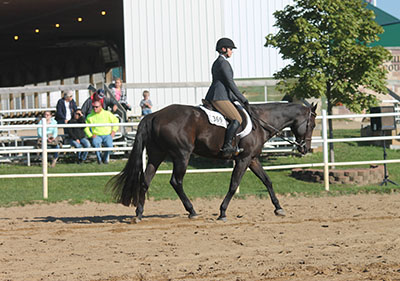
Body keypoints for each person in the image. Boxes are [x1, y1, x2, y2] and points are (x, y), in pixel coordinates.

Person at [205, 37, 249, 157]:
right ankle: (227, 146)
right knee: (237, 119)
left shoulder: (219, 62)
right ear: (223, 49)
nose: (232, 51)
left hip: (221, 94)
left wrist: (234, 97)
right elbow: (230, 83)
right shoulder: (223, 63)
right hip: (219, 97)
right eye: (230, 49)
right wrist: (242, 99)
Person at [84, 99, 119, 164]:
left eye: (96, 107)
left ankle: (105, 158)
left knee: (109, 146)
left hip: (107, 135)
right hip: (96, 135)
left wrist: (114, 131)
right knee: (95, 144)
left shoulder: (107, 114)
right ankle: (99, 160)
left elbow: (116, 120)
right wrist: (90, 135)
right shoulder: (89, 116)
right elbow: (86, 127)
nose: (95, 108)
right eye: (93, 107)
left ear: (101, 107)